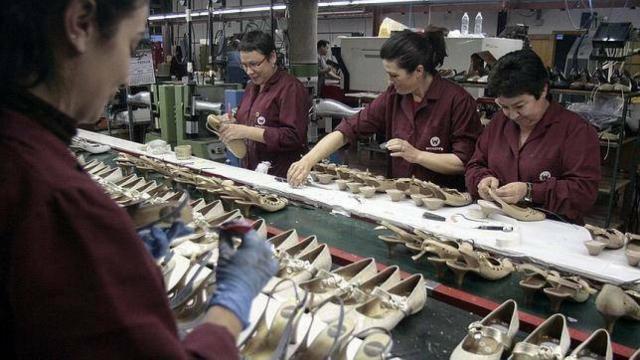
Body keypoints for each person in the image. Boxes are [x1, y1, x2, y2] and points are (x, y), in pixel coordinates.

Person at [0, 1, 276, 358]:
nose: (127, 76)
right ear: (80, 24)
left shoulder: (20, 156)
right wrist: (231, 306)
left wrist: (114, 254)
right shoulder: (52, 197)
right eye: (130, 46)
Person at [288, 30, 482, 189]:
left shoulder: (457, 101)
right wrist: (308, 160)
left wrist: (417, 155)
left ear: (419, 71)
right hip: (401, 196)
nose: (388, 82)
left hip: (445, 203)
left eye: (394, 76)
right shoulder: (394, 97)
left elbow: (462, 161)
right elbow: (349, 129)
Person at [465, 49, 600, 224]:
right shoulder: (499, 123)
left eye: (520, 106)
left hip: (551, 230)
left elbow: (584, 192)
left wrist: (530, 191)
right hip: (497, 222)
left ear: (543, 90)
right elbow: (475, 164)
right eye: (504, 107)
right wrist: (482, 180)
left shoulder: (576, 131)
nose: (512, 115)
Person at [218, 30, 310, 178]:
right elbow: (246, 118)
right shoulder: (251, 87)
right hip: (252, 171)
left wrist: (246, 131)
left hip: (281, 176)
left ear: (272, 57)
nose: (249, 71)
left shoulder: (290, 88)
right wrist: (232, 122)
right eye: (244, 65)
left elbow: (293, 137)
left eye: (254, 64)